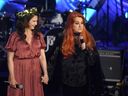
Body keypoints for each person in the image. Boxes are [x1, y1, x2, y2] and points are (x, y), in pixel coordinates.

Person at [48, 11, 105, 96]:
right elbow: (53, 60)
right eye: (77, 23)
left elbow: (93, 63)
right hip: (65, 83)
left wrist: (86, 50)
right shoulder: (62, 38)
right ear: (71, 24)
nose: (80, 26)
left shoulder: (88, 38)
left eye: (82, 23)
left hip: (83, 83)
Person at [5, 7, 49, 96]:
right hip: (19, 70)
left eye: (37, 21)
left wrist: (45, 74)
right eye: (33, 21)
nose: (36, 24)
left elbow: (42, 57)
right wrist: (12, 77)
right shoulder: (15, 36)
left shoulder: (39, 36)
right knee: (18, 92)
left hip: (35, 71)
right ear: (26, 21)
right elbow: (10, 59)